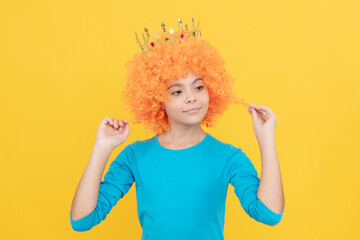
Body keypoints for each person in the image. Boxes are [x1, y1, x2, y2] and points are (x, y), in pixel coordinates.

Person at [70, 17, 285, 239]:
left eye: (199, 87)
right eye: (177, 91)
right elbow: (82, 220)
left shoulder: (229, 157)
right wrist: (102, 148)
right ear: (156, 99)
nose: (191, 98)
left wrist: (266, 139)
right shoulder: (135, 156)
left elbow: (269, 214)